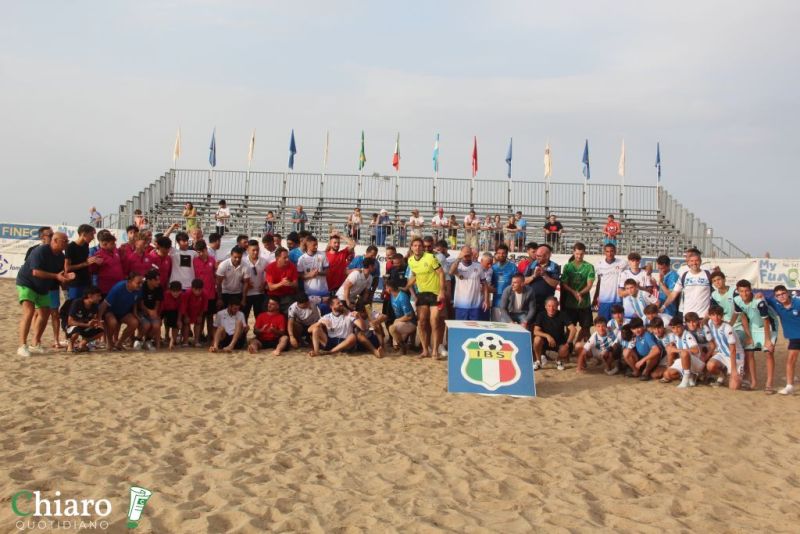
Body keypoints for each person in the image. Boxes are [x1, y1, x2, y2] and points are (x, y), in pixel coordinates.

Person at [16, 231, 74, 357]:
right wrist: (56, 276)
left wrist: (66, 278)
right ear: (55, 241)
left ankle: (35, 343)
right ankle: (22, 345)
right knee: (29, 312)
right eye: (64, 241)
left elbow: (59, 276)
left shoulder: (60, 256)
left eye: (67, 241)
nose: (67, 243)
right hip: (27, 283)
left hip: (43, 287)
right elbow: (35, 272)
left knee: (45, 313)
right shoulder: (40, 251)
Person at [732, 280, 777, 393]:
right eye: (741, 291)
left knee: (768, 352)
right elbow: (742, 318)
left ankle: (769, 384)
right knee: (749, 353)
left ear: (750, 290)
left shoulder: (759, 301)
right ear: (738, 291)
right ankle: (753, 383)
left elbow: (766, 320)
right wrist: (749, 336)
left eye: (746, 290)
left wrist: (767, 340)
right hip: (753, 326)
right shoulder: (737, 300)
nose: (744, 293)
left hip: (768, 327)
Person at [405, 237, 445, 359]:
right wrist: (406, 287)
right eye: (415, 245)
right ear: (411, 247)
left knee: (434, 321)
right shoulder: (410, 260)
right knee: (421, 322)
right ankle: (425, 351)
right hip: (422, 294)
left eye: (419, 245)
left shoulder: (430, 257)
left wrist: (442, 291)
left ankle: (435, 351)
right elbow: (415, 276)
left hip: (435, 293)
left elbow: (441, 273)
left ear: (422, 247)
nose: (417, 247)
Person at [761, 285, 800, 395]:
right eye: (778, 295)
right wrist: (759, 295)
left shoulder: (798, 303)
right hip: (795, 337)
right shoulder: (776, 303)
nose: (781, 296)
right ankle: (789, 386)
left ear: (787, 293)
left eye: (783, 294)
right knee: (791, 360)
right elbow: (763, 298)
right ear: (776, 297)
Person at [660, 252, 712, 320]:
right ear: (688, 263)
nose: (694, 263)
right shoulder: (683, 276)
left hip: (703, 317)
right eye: (692, 261)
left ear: (700, 261)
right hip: (688, 316)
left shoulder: (708, 274)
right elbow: (673, 295)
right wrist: (663, 307)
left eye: (696, 260)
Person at [560, 242, 595, 344]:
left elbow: (589, 285)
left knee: (586, 329)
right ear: (573, 252)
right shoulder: (567, 267)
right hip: (570, 303)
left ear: (584, 253)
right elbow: (564, 284)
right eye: (577, 254)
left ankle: (580, 347)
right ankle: (567, 350)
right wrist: (574, 293)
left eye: (581, 254)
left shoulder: (589, 266)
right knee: (570, 329)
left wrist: (579, 293)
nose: (579, 256)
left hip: (584, 303)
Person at [99, 272, 143, 351]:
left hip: (123, 312)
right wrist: (99, 319)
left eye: (141, 282)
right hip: (111, 310)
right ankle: (109, 342)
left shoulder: (138, 290)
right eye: (138, 283)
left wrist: (135, 314)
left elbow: (135, 302)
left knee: (134, 322)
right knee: (113, 322)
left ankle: (119, 343)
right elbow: (104, 304)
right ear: (130, 281)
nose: (140, 285)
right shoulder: (119, 287)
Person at [705, 304, 745, 390]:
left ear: (722, 316)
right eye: (713, 315)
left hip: (736, 356)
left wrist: (733, 370)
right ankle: (722, 375)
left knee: (734, 388)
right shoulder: (710, 323)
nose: (716, 317)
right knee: (710, 366)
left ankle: (737, 375)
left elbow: (733, 350)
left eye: (718, 315)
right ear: (710, 316)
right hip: (723, 354)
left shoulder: (727, 328)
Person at [660, 316, 707, 388]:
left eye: (678, 327)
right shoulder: (675, 336)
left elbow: (696, 350)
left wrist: (676, 350)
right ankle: (691, 375)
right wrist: (671, 346)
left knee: (684, 353)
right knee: (667, 374)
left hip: (695, 362)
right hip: (685, 362)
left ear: (682, 327)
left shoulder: (687, 335)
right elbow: (670, 348)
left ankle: (686, 379)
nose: (676, 330)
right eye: (673, 328)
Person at [533, 297, 576, 371]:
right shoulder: (541, 315)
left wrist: (568, 343)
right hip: (545, 341)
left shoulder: (562, 314)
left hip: (559, 341)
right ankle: (538, 361)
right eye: (549, 306)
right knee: (537, 339)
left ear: (557, 306)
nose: (551, 308)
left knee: (565, 348)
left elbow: (573, 329)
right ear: (545, 306)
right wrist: (547, 336)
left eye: (554, 306)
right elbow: (535, 331)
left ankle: (558, 361)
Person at [450, 246, 490, 321]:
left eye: (469, 254)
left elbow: (485, 284)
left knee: (474, 330)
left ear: (472, 254)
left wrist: (486, 300)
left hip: (475, 306)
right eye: (465, 255)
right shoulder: (457, 266)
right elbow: (451, 271)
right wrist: (459, 258)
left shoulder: (478, 267)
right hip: (460, 306)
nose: (467, 257)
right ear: (461, 254)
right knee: (460, 329)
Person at [63, 285, 105, 353]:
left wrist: (95, 323)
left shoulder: (94, 306)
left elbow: (93, 320)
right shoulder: (77, 303)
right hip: (71, 326)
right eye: (98, 296)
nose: (100, 298)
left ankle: (82, 344)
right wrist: (87, 325)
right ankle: (70, 345)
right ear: (90, 296)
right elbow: (70, 321)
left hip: (84, 326)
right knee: (76, 331)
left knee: (100, 331)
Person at [524, 245, 561, 316]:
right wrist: (534, 276)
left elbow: (555, 283)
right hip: (531, 300)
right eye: (536, 255)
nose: (537, 258)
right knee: (530, 323)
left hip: (546, 302)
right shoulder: (531, 265)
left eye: (539, 256)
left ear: (547, 256)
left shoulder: (554, 266)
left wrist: (544, 275)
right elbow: (524, 281)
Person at [593, 243, 627, 320]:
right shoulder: (599, 264)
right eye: (607, 251)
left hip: (617, 300)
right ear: (604, 252)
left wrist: (646, 267)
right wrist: (595, 297)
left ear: (615, 252)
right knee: (604, 323)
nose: (609, 253)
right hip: (604, 300)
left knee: (618, 323)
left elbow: (633, 269)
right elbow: (599, 281)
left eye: (612, 251)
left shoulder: (622, 263)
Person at [65, 225, 99, 300]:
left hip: (86, 281)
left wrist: (94, 260)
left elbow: (85, 260)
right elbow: (67, 267)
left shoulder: (85, 245)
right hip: (75, 282)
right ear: (84, 234)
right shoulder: (70, 247)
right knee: (73, 305)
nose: (93, 237)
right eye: (91, 235)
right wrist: (85, 263)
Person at [192, 239, 218, 340]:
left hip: (211, 293)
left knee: (210, 317)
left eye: (203, 251)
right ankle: (198, 338)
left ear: (206, 249)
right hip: (199, 294)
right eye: (198, 252)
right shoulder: (194, 261)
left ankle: (210, 337)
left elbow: (216, 275)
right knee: (199, 317)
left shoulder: (212, 260)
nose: (201, 254)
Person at [242, 240, 270, 321]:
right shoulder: (243, 261)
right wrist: (245, 282)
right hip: (246, 293)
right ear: (248, 250)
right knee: (244, 316)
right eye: (253, 250)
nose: (255, 252)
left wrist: (264, 284)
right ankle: (243, 333)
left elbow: (268, 275)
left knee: (259, 316)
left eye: (257, 250)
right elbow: (238, 275)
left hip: (259, 293)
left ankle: (258, 333)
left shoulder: (264, 261)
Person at [386, 279, 416, 353]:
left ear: (389, 289)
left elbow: (409, 316)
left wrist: (397, 320)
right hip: (402, 322)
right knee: (395, 346)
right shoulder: (392, 295)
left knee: (392, 328)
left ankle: (403, 346)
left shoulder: (402, 297)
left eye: (386, 287)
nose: (385, 289)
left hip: (410, 322)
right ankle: (402, 344)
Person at [298, 236, 330, 305]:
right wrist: (309, 275)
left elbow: (328, 271)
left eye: (317, 245)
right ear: (308, 245)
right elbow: (300, 276)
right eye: (314, 245)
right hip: (310, 292)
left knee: (324, 311)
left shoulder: (322, 255)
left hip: (323, 290)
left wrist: (319, 273)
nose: (316, 247)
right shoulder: (301, 259)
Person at [265, 247, 299, 312]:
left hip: (287, 295)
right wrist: (282, 283)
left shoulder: (292, 266)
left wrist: (290, 284)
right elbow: (271, 287)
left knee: (289, 312)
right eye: (285, 258)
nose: (287, 259)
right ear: (278, 258)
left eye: (288, 257)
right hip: (273, 296)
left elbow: (296, 284)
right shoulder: (270, 267)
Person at [136, 270, 163, 351]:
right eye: (156, 280)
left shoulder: (159, 287)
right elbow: (140, 304)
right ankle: (138, 340)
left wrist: (154, 311)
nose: (159, 282)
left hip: (152, 311)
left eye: (159, 279)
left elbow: (157, 302)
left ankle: (148, 340)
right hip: (141, 311)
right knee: (147, 325)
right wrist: (149, 311)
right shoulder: (142, 287)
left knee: (157, 325)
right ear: (149, 280)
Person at [92, 231, 125, 296]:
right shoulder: (98, 255)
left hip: (118, 286)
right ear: (105, 244)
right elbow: (93, 271)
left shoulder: (115, 251)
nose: (115, 245)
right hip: (106, 289)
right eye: (112, 243)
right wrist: (94, 264)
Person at [161, 281, 184, 349]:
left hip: (175, 311)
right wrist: (160, 318)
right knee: (164, 321)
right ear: (170, 290)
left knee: (176, 324)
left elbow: (181, 309)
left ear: (180, 291)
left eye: (177, 291)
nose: (175, 293)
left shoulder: (182, 296)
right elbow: (162, 309)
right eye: (174, 291)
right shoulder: (166, 295)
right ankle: (166, 335)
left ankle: (172, 341)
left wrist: (179, 320)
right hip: (165, 310)